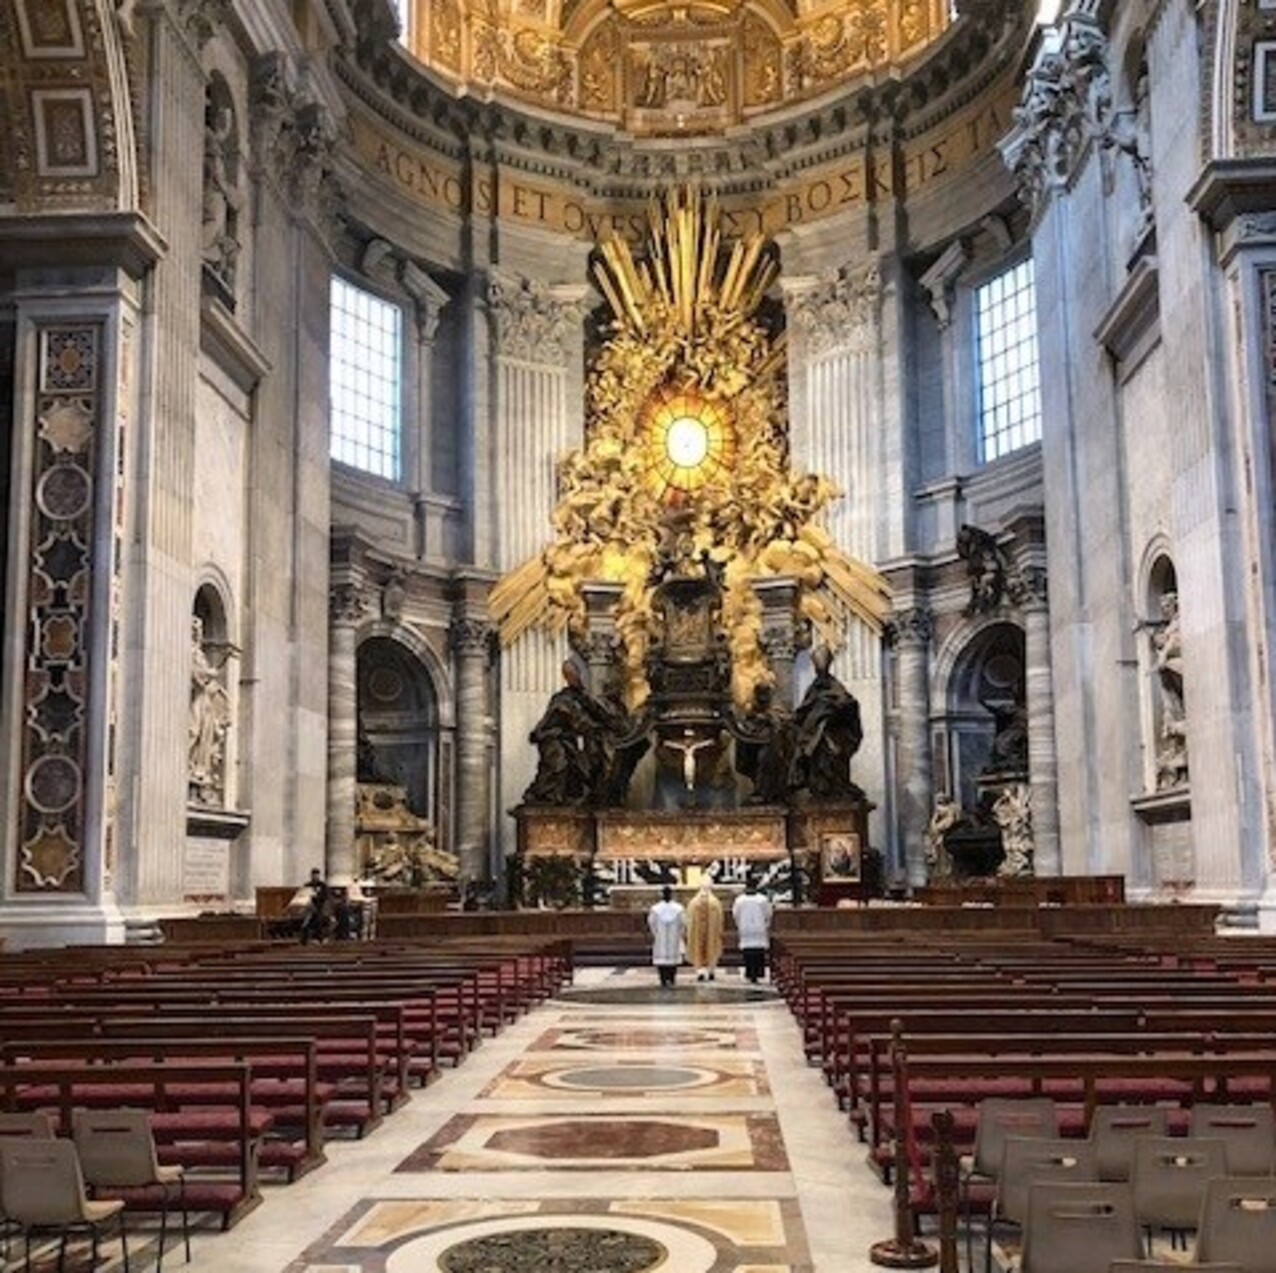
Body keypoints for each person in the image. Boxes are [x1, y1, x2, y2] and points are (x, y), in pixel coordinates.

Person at [788, 644, 863, 800]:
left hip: (833, 734)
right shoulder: (814, 688)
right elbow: (804, 709)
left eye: (820, 664)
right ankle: (818, 788)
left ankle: (832, 788)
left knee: (827, 755)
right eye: (817, 665)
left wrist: (830, 710)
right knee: (811, 753)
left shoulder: (835, 686)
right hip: (814, 734)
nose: (818, 668)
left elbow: (848, 705)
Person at [732, 876, 773, 984]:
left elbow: (736, 914)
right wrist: (766, 923)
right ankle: (757, 973)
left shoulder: (740, 900)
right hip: (759, 927)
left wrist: (739, 924)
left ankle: (750, 972)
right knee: (758, 952)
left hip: (745, 927)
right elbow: (768, 913)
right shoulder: (762, 900)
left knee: (748, 952)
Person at [685, 879, 724, 982]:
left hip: (697, 932)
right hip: (711, 932)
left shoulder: (693, 903)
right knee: (712, 944)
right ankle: (711, 971)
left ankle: (700, 972)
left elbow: (688, 919)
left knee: (698, 946)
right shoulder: (715, 902)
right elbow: (720, 919)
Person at [647, 884, 685, 988]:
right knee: (673, 960)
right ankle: (672, 978)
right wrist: (679, 935)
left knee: (661, 959)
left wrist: (657, 934)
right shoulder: (679, 909)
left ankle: (663, 979)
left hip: (661, 939)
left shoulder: (655, 909)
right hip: (674, 939)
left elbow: (652, 923)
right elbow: (683, 924)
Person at [298, 867, 329, 944]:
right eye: (313, 875)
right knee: (305, 921)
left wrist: (316, 897)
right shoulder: (307, 885)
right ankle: (304, 940)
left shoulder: (323, 885)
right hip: (309, 908)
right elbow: (303, 896)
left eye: (316, 875)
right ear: (311, 876)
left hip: (320, 907)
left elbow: (325, 897)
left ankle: (319, 938)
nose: (315, 877)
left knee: (319, 918)